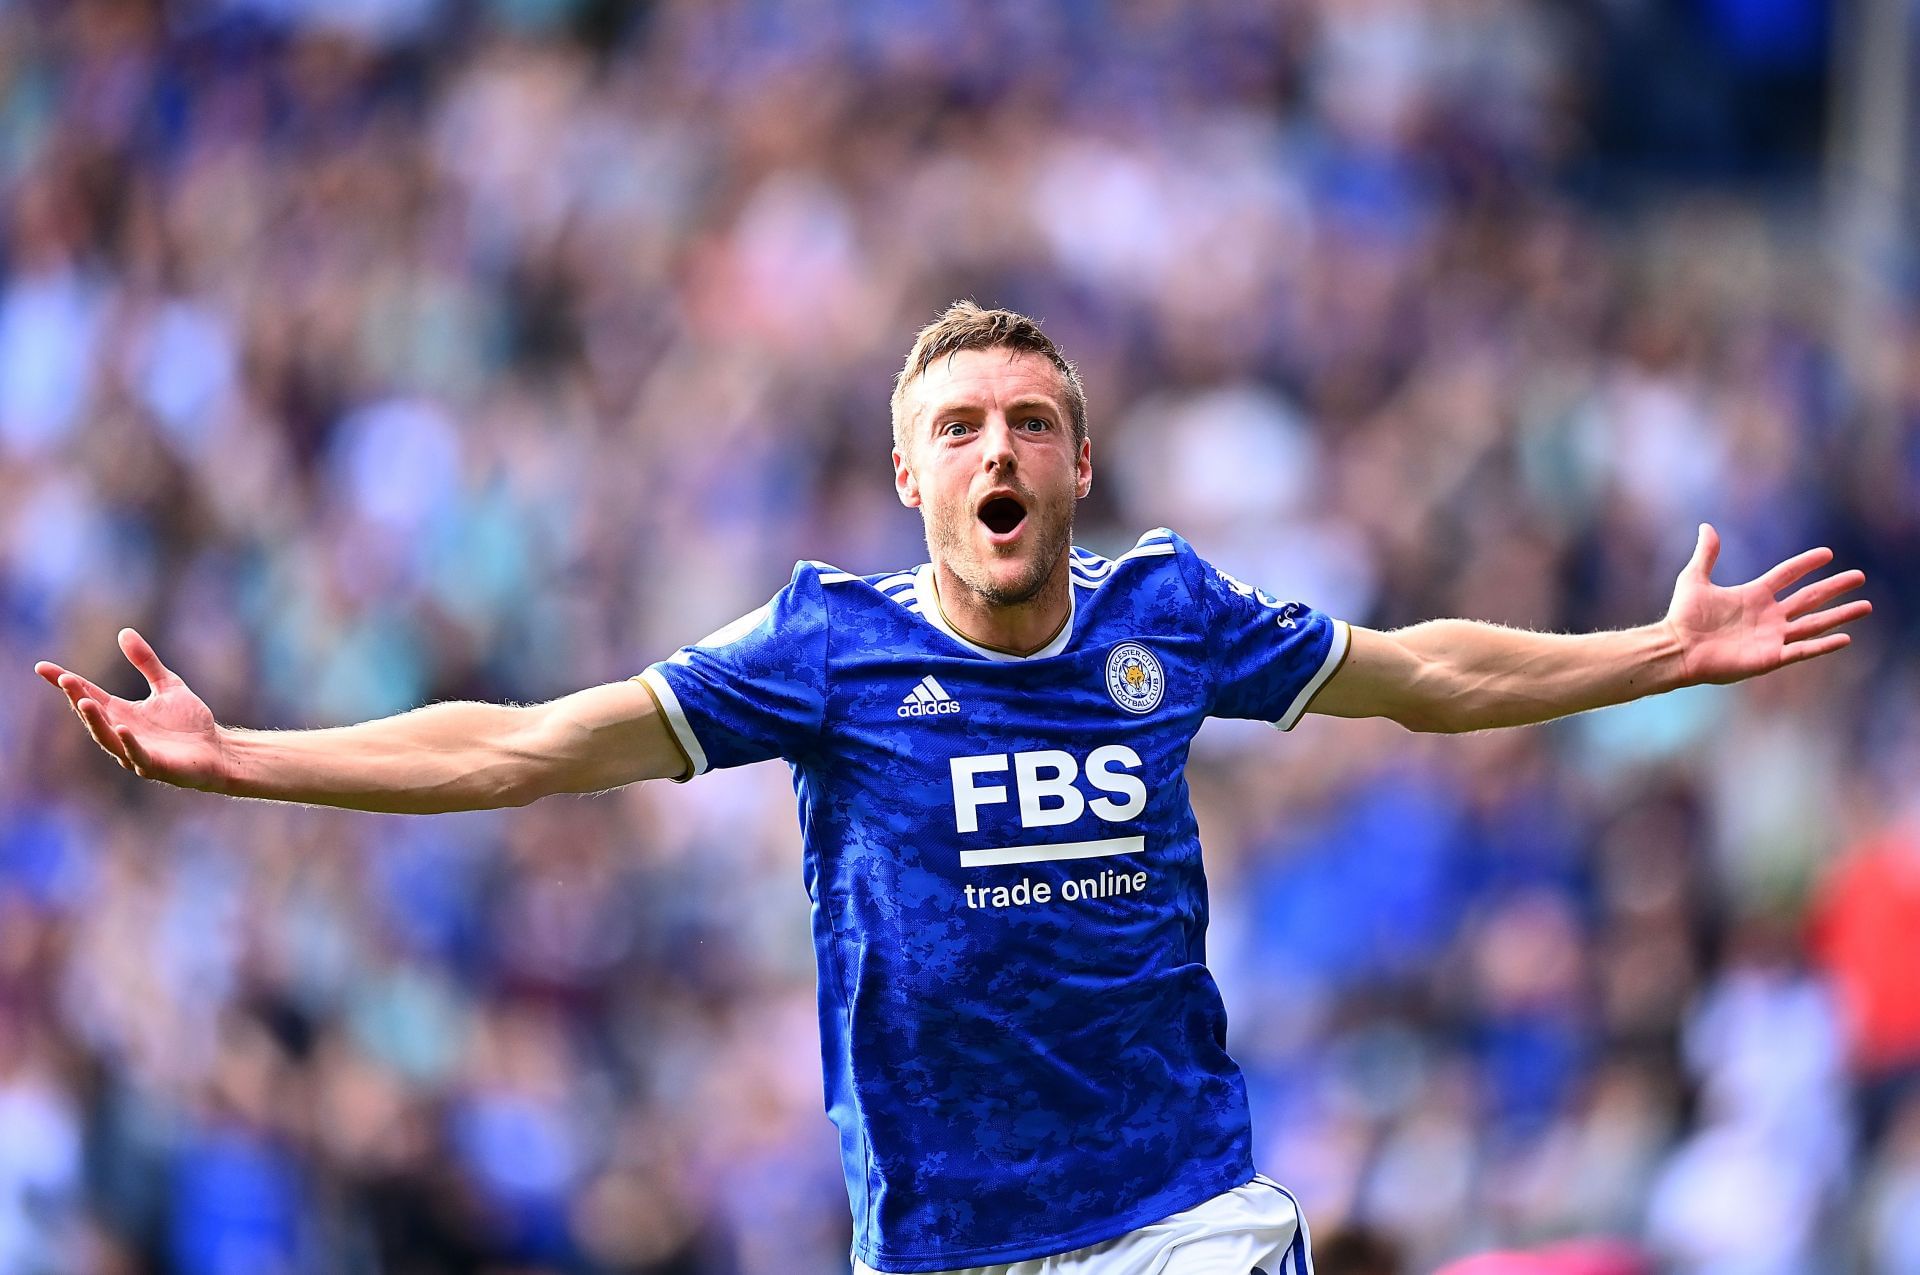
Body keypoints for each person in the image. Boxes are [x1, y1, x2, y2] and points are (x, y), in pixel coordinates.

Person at [34, 303, 1870, 1275]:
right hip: (940, 1240)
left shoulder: (1173, 614)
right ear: (909, 478)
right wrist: (251, 757)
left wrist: (1653, 650)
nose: (998, 449)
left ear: (1081, 458)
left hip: (1181, 1213)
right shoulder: (824, 653)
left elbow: (1418, 675)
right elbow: (524, 741)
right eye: (958, 428)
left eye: (1028, 421)